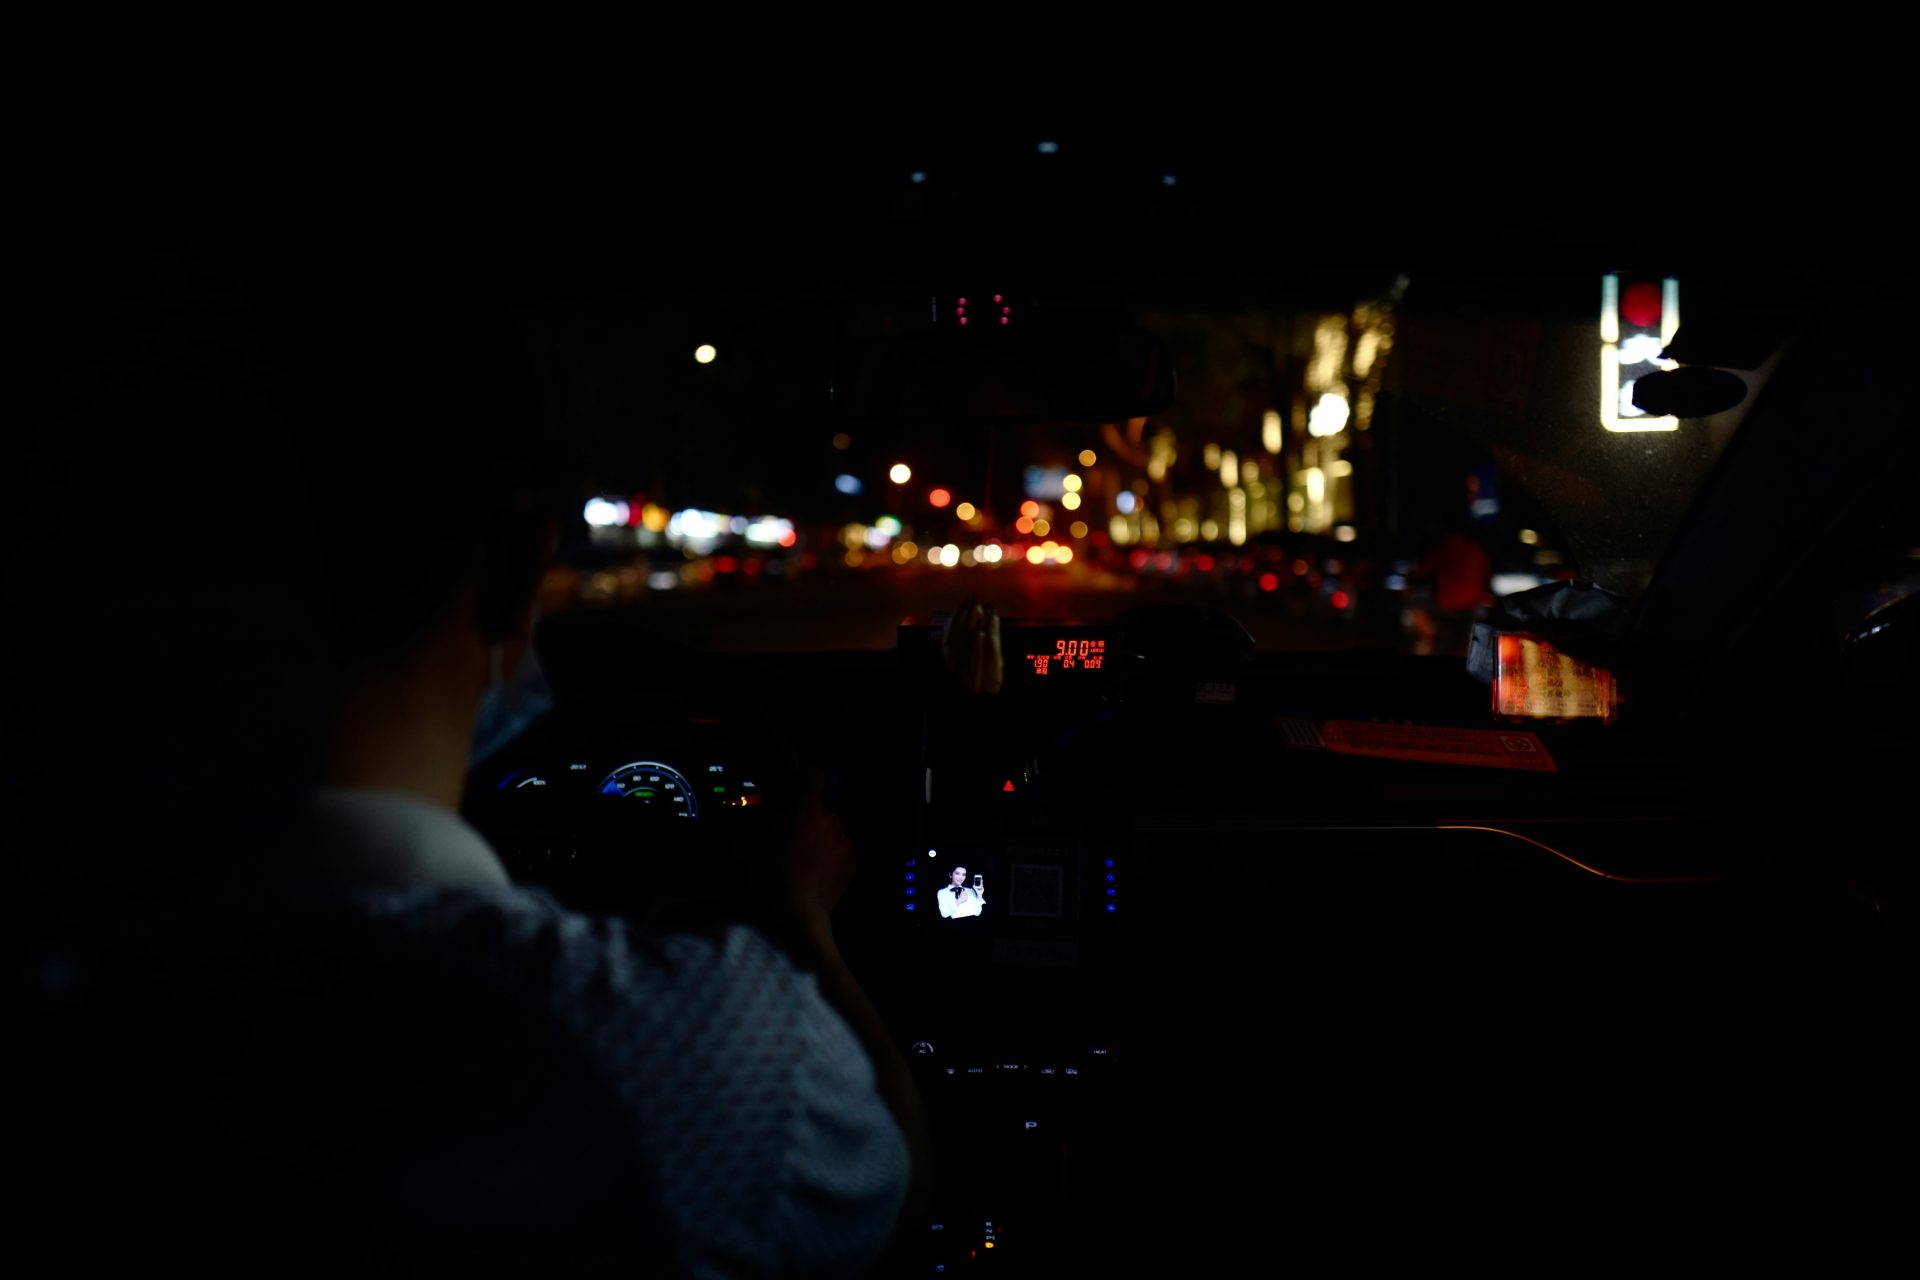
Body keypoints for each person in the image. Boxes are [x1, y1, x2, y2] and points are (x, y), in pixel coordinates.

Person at [11, 241, 926, 1274]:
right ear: (511, 570)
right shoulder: (708, 1047)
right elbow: (886, 1186)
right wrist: (800, 919)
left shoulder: (63, 969)